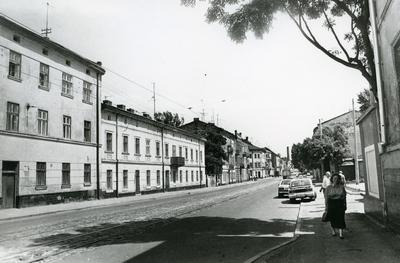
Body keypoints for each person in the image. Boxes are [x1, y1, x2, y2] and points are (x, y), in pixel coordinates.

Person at [325, 173, 347, 239]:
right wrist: (326, 207)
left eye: (337, 179)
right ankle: (333, 231)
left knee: (341, 218)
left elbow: (344, 197)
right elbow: (326, 198)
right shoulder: (328, 188)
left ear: (339, 180)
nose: (335, 180)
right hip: (331, 204)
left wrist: (345, 205)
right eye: (334, 178)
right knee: (332, 218)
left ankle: (341, 233)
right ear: (332, 179)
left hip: (340, 203)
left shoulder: (341, 187)